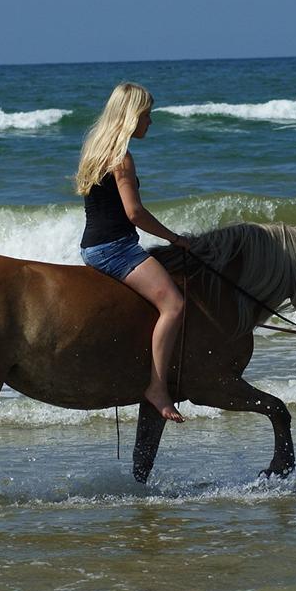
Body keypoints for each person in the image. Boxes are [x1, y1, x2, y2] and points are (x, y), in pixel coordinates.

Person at [76, 82, 190, 423]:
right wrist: (175, 238)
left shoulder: (96, 150)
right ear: (131, 117)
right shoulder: (121, 157)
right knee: (174, 304)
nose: (150, 122)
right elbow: (135, 214)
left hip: (93, 246)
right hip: (115, 248)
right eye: (146, 114)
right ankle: (157, 387)